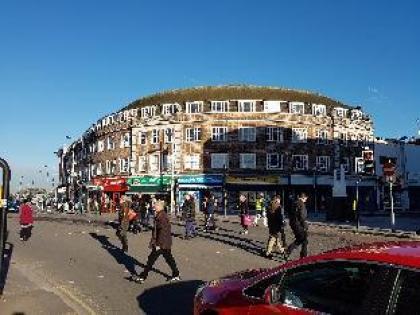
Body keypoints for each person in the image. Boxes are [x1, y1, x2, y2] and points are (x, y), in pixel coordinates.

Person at [134, 200, 180, 283]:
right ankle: (176, 274)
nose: (153, 207)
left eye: (155, 205)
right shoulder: (160, 215)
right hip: (164, 242)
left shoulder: (162, 216)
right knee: (169, 259)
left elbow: (163, 232)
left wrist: (158, 244)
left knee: (151, 260)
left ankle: (143, 277)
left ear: (159, 207)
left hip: (161, 243)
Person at [285, 192, 309, 259]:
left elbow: (289, 212)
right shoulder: (301, 204)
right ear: (303, 197)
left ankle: (288, 251)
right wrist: (305, 226)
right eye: (306, 198)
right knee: (304, 240)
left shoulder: (294, 203)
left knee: (299, 239)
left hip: (293, 223)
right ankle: (303, 257)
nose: (306, 200)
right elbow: (302, 217)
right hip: (298, 225)